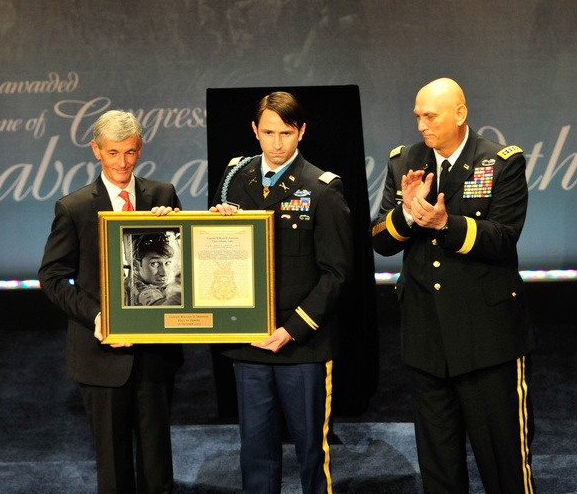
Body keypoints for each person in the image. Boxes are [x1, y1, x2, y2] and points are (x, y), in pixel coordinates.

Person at [370, 77, 536, 494]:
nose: (422, 124)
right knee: (439, 467)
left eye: (431, 115)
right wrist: (407, 215)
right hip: (427, 338)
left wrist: (445, 224)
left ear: (460, 114)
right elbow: (381, 241)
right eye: (418, 116)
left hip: (487, 338)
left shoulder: (500, 161)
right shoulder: (404, 160)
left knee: (504, 465)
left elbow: (502, 237)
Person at [210, 91, 352, 494]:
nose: (276, 143)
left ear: (301, 132)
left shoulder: (322, 189)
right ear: (254, 131)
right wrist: (218, 223)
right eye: (268, 132)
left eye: (285, 133)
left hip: (303, 344)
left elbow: (336, 274)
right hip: (250, 339)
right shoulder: (235, 177)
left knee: (311, 452)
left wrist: (292, 329)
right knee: (255, 451)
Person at [38, 109, 183, 494]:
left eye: (131, 153)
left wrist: (179, 228)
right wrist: (99, 316)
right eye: (114, 153)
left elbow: (183, 267)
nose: (123, 163)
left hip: (155, 353)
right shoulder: (75, 207)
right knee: (114, 469)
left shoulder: (163, 196)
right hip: (100, 355)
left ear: (140, 149)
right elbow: (51, 277)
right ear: (96, 150)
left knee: (157, 466)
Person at [129, 231, 181, 307]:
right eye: (154, 263)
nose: (164, 273)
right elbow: (161, 307)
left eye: (167, 263)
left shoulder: (132, 281)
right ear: (136, 265)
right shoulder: (142, 290)